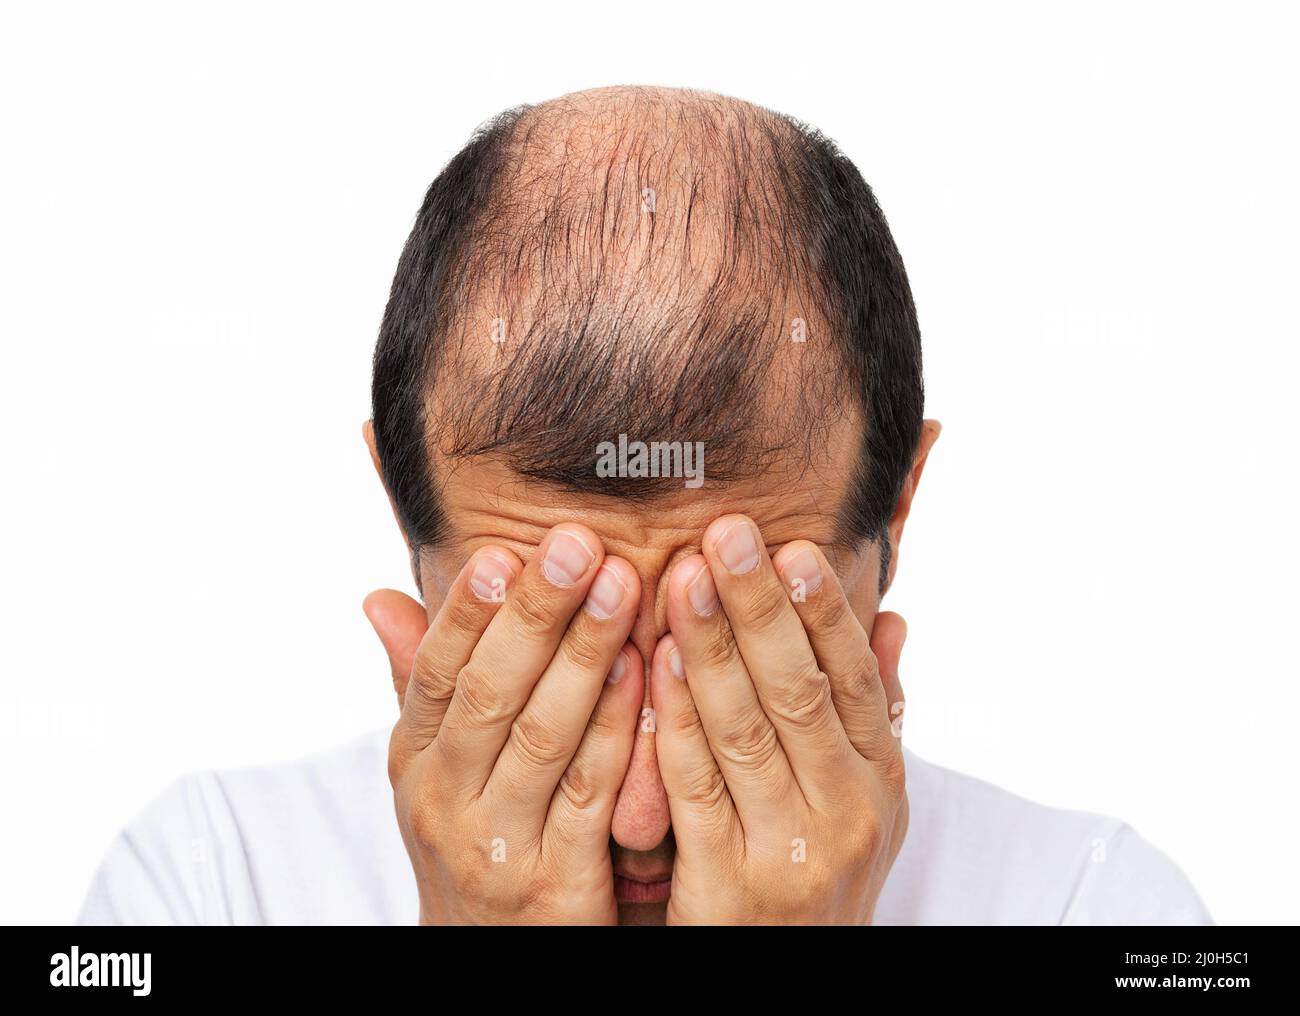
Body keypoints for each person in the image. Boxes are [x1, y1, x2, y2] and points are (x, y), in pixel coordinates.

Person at [79, 86, 1210, 925]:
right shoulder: (197, 883)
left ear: (899, 510)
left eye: (738, 655)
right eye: (564, 651)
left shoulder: (1108, 909)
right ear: (401, 511)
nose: (636, 819)